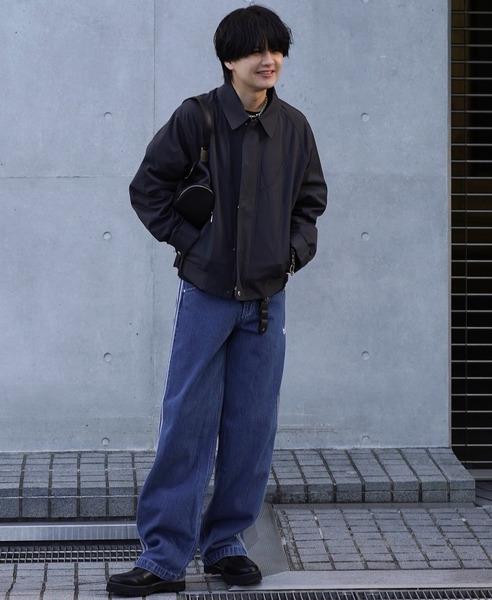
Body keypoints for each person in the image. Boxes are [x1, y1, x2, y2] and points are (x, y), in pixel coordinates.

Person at [107, 5, 327, 597]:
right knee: (188, 424)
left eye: (276, 49)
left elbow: (310, 202)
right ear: (229, 59)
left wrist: (289, 256)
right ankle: (163, 557)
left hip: (266, 302)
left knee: (252, 427)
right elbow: (148, 188)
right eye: (256, 50)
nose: (268, 60)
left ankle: (227, 543)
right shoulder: (197, 117)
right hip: (206, 295)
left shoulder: (294, 127)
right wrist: (193, 244)